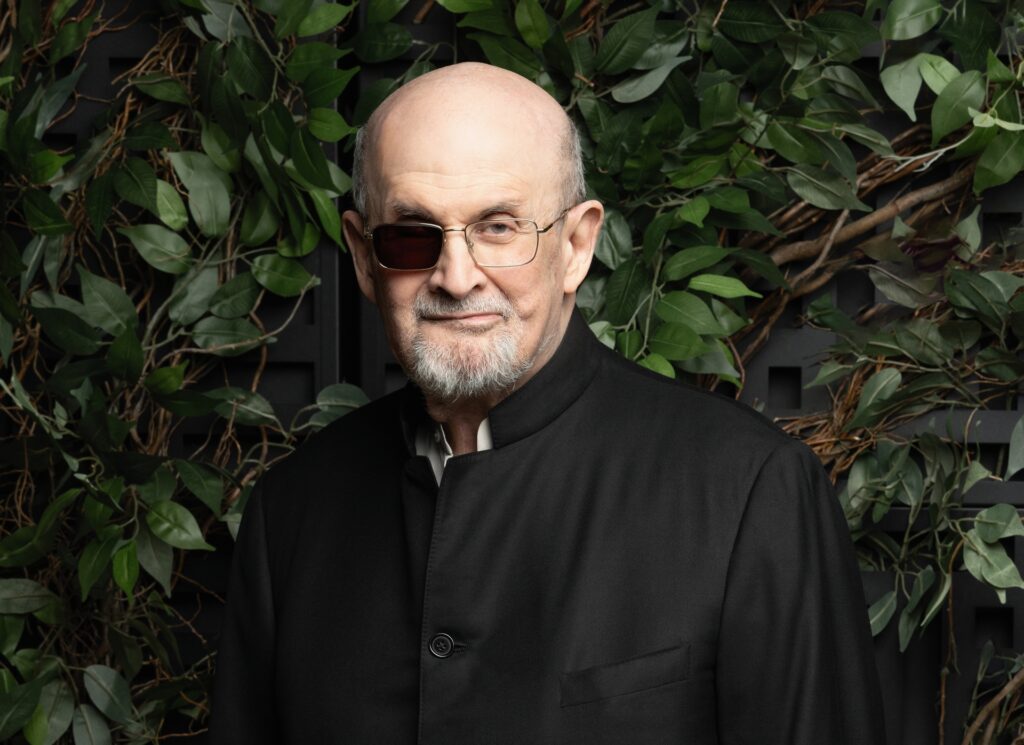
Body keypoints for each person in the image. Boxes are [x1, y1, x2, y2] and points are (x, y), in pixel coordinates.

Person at [209, 62, 886, 744]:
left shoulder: (749, 490)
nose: (456, 277)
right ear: (363, 256)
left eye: (498, 227)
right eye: (413, 233)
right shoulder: (292, 512)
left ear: (576, 245)